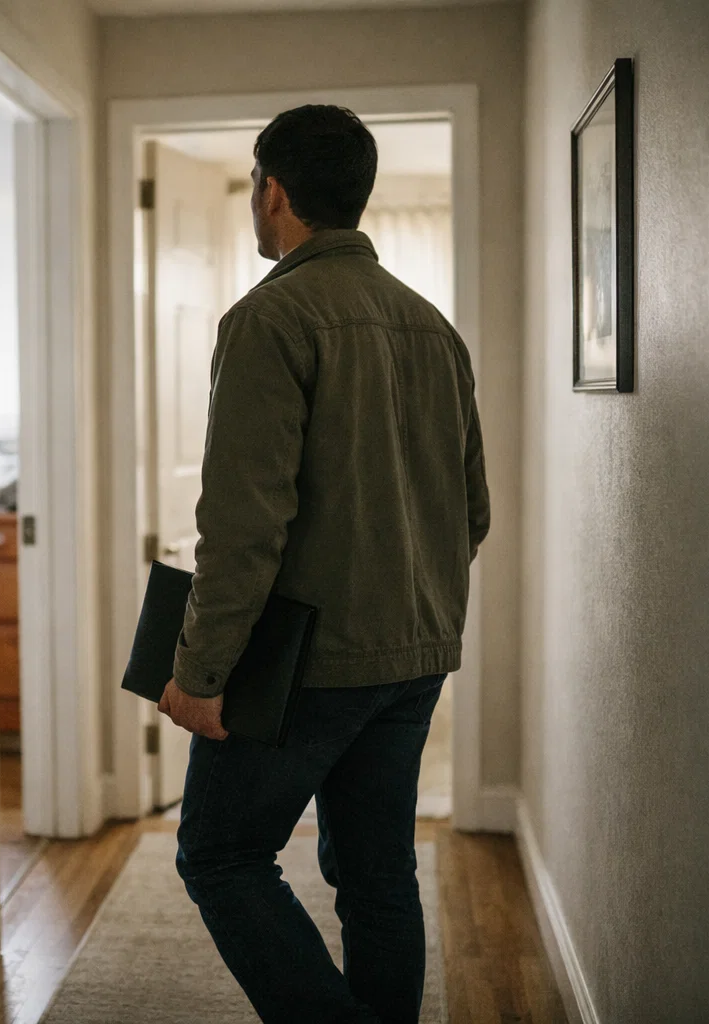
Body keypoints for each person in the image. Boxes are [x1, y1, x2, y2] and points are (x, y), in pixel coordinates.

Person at [156, 104, 490, 1023]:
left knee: (219, 856)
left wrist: (200, 672)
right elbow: (474, 513)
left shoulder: (269, 319)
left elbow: (243, 526)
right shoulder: (433, 328)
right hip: (416, 654)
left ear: (273, 191)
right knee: (377, 871)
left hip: (309, 664)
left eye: (257, 187)